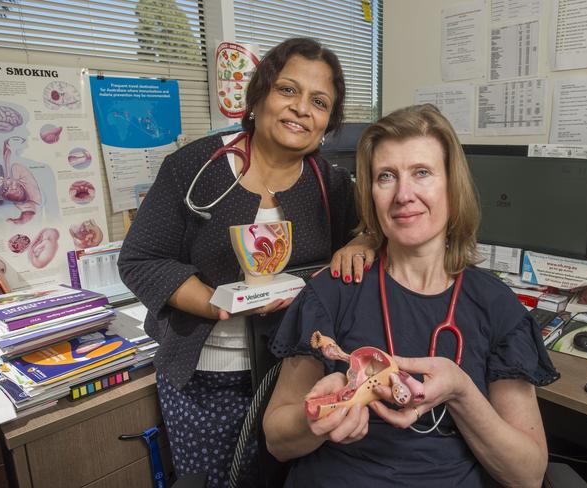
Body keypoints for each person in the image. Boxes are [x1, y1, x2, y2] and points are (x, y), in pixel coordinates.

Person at [118, 37, 376, 486]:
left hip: (294, 376)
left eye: (319, 102)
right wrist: (214, 302)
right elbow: (140, 260)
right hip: (205, 381)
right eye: (287, 90)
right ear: (258, 95)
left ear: (328, 122)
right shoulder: (196, 166)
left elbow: (373, 229)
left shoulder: (330, 184)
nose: (301, 109)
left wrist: (363, 242)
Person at [263, 104, 560, 487]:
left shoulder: (497, 307)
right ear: (371, 193)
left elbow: (528, 474)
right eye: (386, 176)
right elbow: (276, 441)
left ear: (453, 186)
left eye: (422, 172)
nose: (404, 194)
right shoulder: (333, 291)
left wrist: (460, 390)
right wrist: (317, 415)